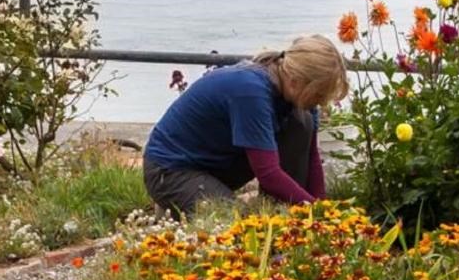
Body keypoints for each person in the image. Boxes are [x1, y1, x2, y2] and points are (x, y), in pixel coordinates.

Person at [143, 35, 349, 216]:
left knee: (300, 122)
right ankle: (184, 202)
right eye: (319, 94)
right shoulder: (251, 92)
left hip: (218, 162)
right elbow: (268, 174)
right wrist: (313, 210)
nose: (321, 103)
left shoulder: (297, 94)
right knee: (235, 226)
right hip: (171, 170)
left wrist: (322, 210)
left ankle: (281, 216)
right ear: (296, 80)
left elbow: (311, 157)